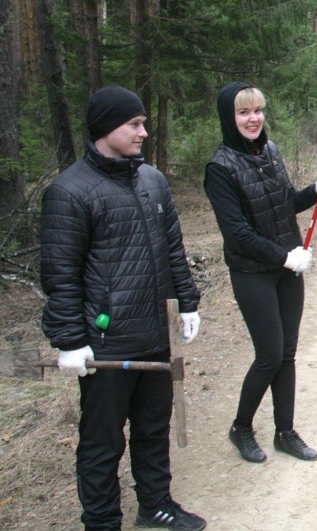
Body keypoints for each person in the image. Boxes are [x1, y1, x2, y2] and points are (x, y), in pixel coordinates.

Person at [41, 85, 205, 530]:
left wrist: (187, 304)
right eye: (134, 124)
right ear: (106, 128)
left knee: (153, 429)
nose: (144, 133)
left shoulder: (151, 180)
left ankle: (155, 504)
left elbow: (173, 249)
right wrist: (70, 341)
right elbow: (60, 275)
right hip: (106, 346)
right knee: (101, 442)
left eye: (144, 123)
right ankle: (101, 521)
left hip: (156, 335)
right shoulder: (70, 192)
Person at [204, 82, 317, 465]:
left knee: (288, 354)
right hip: (254, 272)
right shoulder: (220, 167)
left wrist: (314, 190)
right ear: (229, 117)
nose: (254, 118)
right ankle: (241, 427)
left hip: (286, 268)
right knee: (269, 355)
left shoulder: (271, 151)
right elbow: (238, 234)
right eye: (244, 112)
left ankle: (285, 432)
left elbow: (283, 206)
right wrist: (285, 257)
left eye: (258, 110)